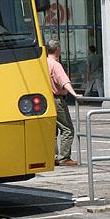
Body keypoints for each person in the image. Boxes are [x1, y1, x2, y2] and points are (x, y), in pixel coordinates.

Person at [46, 38, 79, 166]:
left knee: (52, 130)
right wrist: (74, 94)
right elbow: (64, 81)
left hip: (46, 99)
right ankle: (64, 157)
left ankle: (53, 156)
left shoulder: (43, 63)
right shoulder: (55, 65)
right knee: (67, 129)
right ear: (58, 49)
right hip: (57, 99)